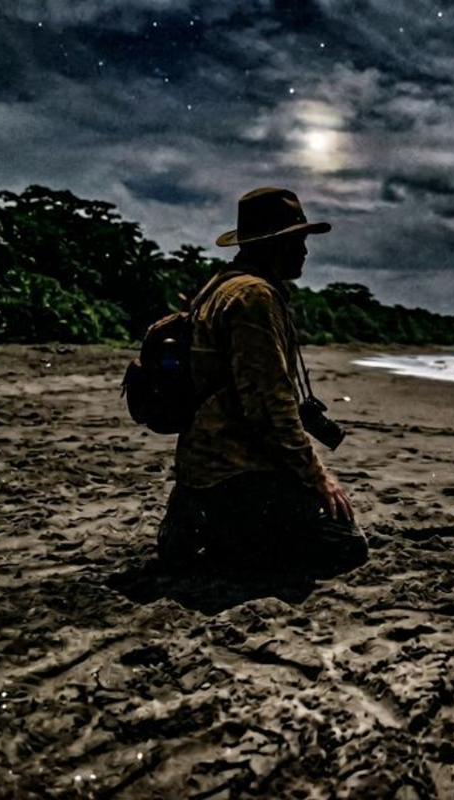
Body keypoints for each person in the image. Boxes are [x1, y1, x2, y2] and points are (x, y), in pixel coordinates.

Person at [157, 187, 368, 579]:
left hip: (204, 465)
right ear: (275, 244)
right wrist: (317, 475)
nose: (304, 251)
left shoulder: (220, 286)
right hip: (234, 470)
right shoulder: (254, 296)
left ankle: (198, 515)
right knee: (345, 546)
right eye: (297, 240)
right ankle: (219, 535)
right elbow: (270, 408)